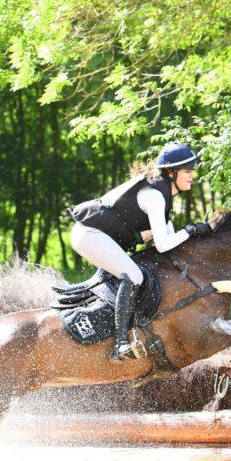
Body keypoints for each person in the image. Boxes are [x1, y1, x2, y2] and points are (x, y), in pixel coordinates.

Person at [68, 142, 212, 361]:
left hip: (98, 236)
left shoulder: (163, 198)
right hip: (88, 234)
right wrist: (191, 229)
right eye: (187, 171)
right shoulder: (154, 196)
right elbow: (164, 244)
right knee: (133, 275)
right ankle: (121, 343)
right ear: (171, 173)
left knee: (138, 273)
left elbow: (170, 246)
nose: (192, 176)